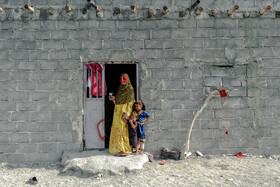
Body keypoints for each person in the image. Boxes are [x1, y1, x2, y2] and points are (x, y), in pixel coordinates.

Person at [109, 73, 135, 156]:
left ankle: (123, 149)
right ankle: (116, 149)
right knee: (116, 129)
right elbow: (118, 102)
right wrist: (114, 99)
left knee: (122, 130)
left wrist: (126, 114)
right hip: (117, 112)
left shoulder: (130, 89)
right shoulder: (120, 88)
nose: (122, 81)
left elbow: (130, 103)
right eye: (121, 79)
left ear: (128, 79)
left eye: (124, 79)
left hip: (123, 113)